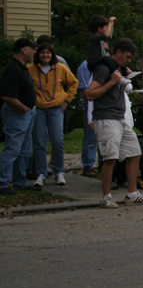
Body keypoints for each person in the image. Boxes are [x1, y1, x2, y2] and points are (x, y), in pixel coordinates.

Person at [85, 39, 143, 207]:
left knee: (134, 153)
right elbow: (90, 93)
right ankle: (106, 196)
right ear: (119, 52)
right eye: (127, 57)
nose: (128, 61)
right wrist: (112, 81)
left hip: (120, 117)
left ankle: (132, 194)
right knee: (110, 157)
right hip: (106, 118)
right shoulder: (104, 69)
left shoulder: (118, 69)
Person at [29, 42, 78, 188]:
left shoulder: (60, 68)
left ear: (52, 55)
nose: (45, 55)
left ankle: (58, 171)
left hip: (56, 109)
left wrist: (67, 100)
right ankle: (41, 173)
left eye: (48, 53)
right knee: (39, 141)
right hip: (38, 109)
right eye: (42, 52)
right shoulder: (30, 69)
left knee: (57, 140)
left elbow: (73, 83)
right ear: (38, 54)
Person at [0, 39, 39, 195]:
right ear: (24, 50)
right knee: (12, 149)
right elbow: (7, 96)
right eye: (33, 49)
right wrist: (22, 108)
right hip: (17, 114)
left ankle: (20, 181)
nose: (34, 52)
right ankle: (2, 182)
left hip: (27, 113)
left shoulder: (22, 67)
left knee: (25, 150)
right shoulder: (13, 69)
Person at [76, 60, 100, 177]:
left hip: (105, 108)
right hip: (92, 107)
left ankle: (103, 165)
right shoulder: (85, 67)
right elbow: (85, 90)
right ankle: (88, 166)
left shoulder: (106, 65)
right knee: (91, 138)